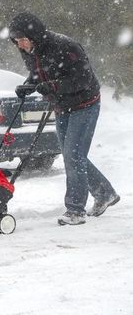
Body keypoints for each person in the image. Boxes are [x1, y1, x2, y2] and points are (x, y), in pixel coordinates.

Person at [8, 11, 120, 226]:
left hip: (85, 104)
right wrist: (28, 85)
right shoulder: (30, 50)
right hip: (61, 106)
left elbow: (82, 80)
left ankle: (75, 211)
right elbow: (38, 72)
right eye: (16, 41)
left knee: (73, 155)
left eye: (22, 40)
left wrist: (51, 86)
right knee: (73, 155)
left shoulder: (66, 46)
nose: (20, 45)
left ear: (35, 35)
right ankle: (104, 193)